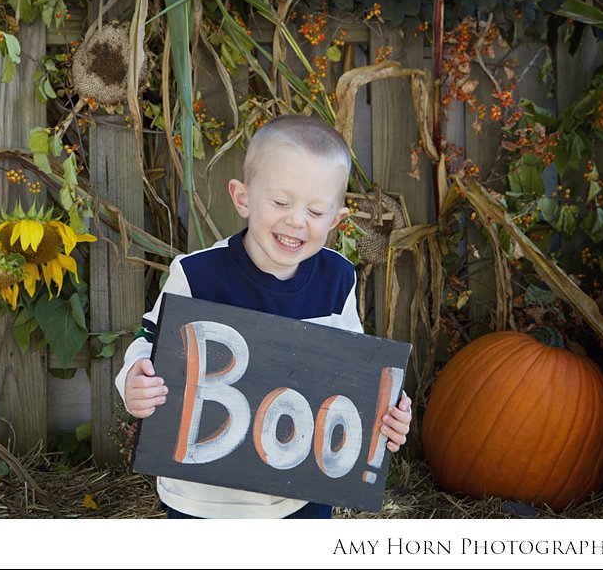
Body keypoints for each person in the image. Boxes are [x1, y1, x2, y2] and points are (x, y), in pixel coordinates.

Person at [114, 114, 412, 518]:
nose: (296, 220)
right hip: (204, 498)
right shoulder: (198, 275)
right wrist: (135, 378)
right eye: (280, 202)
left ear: (337, 220)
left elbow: (355, 371)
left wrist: (389, 411)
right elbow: (147, 342)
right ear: (243, 198)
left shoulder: (337, 278)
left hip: (301, 492)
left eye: (316, 210)